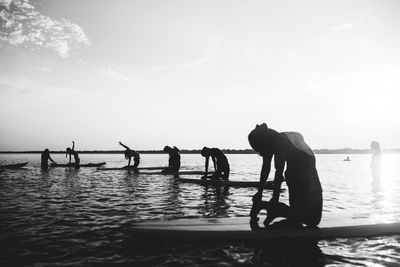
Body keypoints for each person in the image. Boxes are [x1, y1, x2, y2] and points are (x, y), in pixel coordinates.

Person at [248, 123, 323, 229]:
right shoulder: (277, 139)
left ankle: (267, 207)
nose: (262, 153)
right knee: (312, 220)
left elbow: (277, 171)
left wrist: (273, 199)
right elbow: (267, 169)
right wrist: (261, 194)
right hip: (302, 175)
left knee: (308, 217)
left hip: (303, 175)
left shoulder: (279, 141)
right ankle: (271, 208)